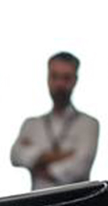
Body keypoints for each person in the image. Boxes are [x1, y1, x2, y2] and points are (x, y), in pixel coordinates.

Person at [10, 52, 100, 189]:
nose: (59, 84)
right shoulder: (31, 124)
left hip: (75, 200)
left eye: (66, 78)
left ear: (75, 80)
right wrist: (59, 156)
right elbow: (16, 155)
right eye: (54, 76)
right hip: (37, 200)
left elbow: (80, 167)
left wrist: (39, 162)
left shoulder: (89, 124)